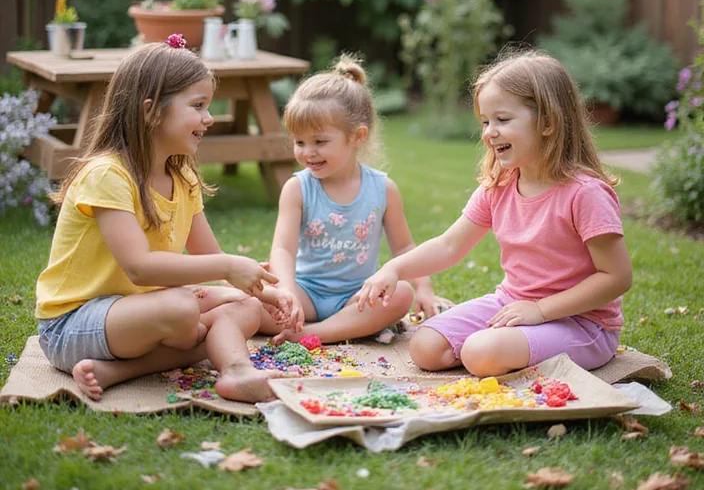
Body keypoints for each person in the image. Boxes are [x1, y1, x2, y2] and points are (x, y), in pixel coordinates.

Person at [36, 37, 297, 403]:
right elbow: (140, 269)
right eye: (198, 106)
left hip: (139, 314)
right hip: (71, 326)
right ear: (151, 111)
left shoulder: (183, 179)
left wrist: (273, 295)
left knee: (245, 306)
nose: (208, 118)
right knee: (183, 308)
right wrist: (226, 270)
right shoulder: (108, 174)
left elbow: (214, 263)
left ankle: (236, 371)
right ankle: (188, 346)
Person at [357, 50, 632, 376]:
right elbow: (449, 246)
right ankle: (508, 348)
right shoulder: (499, 186)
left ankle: (506, 349)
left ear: (547, 122)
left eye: (502, 120)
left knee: (479, 352)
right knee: (425, 347)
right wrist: (394, 269)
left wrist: (540, 310)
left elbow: (617, 277)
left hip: (584, 324)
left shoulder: (585, 193)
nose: (489, 132)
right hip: (513, 304)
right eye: (485, 122)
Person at [261, 54, 451, 344]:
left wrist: (424, 288)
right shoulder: (297, 188)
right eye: (300, 142)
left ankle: (314, 333)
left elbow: (404, 247)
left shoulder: (383, 188)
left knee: (400, 295)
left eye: (320, 142)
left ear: (357, 136)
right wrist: (286, 291)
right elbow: (283, 250)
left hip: (357, 297)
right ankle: (326, 326)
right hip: (305, 293)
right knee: (253, 298)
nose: (307, 152)